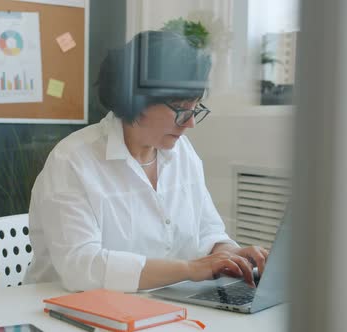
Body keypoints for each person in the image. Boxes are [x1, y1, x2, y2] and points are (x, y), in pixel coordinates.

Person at [24, 31, 268, 292]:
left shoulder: (182, 153)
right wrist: (190, 269)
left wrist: (231, 254)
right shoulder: (72, 161)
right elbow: (82, 267)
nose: (190, 122)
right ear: (136, 101)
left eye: (195, 108)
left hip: (159, 308)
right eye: (181, 109)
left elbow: (207, 231)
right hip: (68, 314)